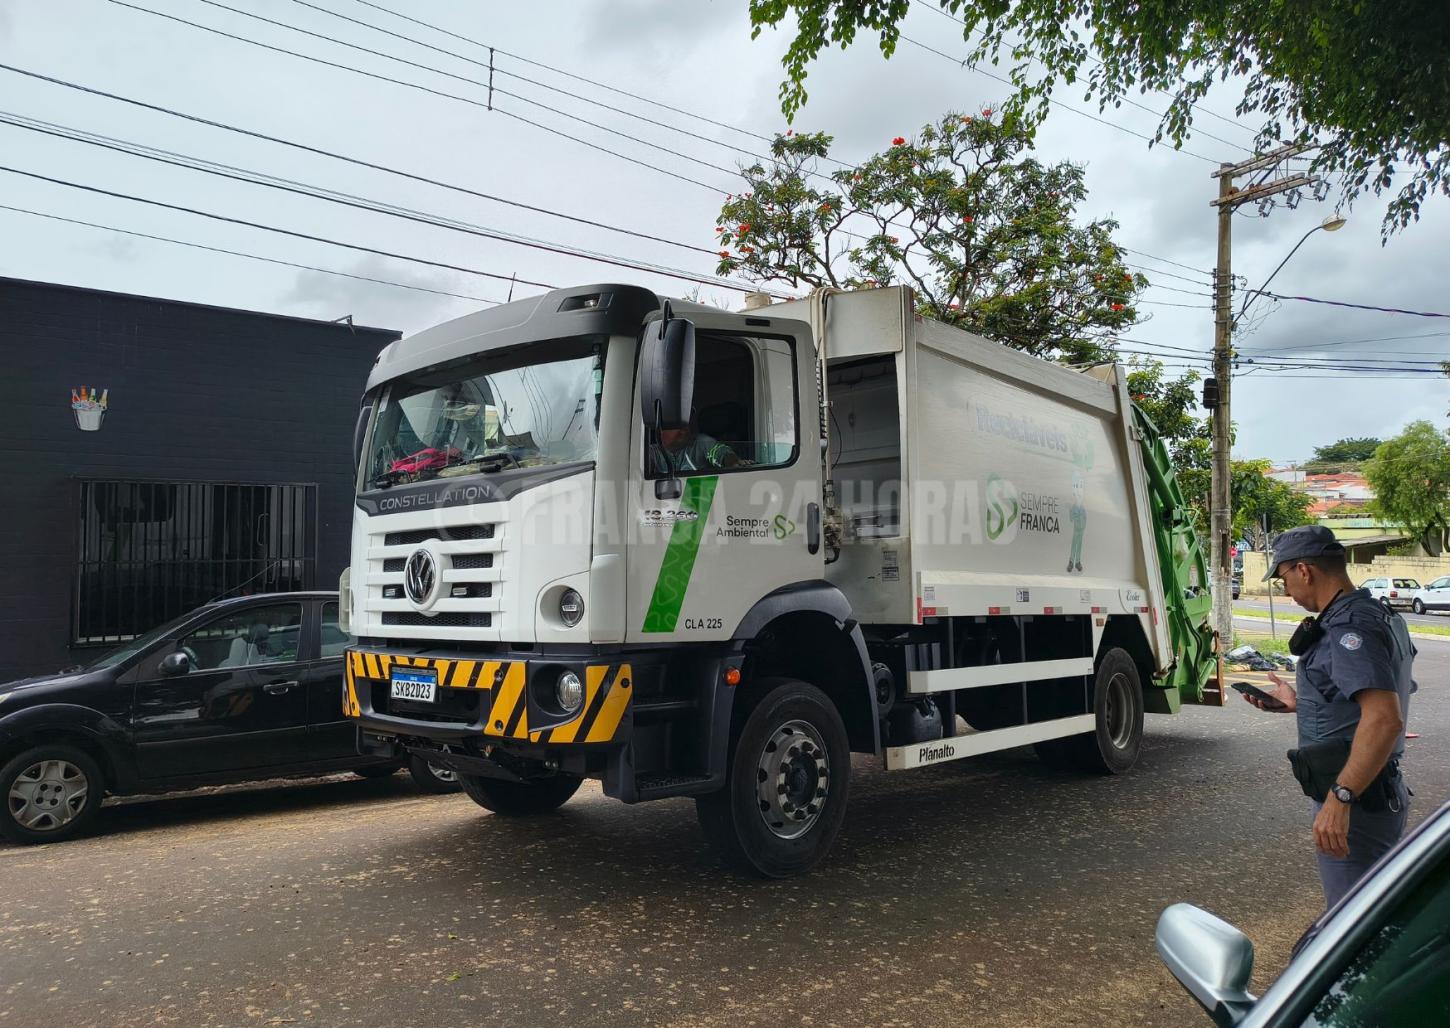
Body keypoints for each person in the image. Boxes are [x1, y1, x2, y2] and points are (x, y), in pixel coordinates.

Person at [1242, 525, 1416, 909]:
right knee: (1369, 911)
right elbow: (1365, 702)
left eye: (1283, 578)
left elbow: (1385, 719)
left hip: (1358, 798)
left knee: (1355, 926)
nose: (1285, 590)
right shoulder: (1375, 614)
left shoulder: (1348, 627)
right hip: (1370, 790)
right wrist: (1299, 703)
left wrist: (1340, 798)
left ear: (1304, 570)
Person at [650, 420, 739, 475]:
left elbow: (721, 453)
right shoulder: (652, 452)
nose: (684, 429)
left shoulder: (701, 442)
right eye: (674, 425)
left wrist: (733, 462)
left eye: (685, 423)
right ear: (660, 431)